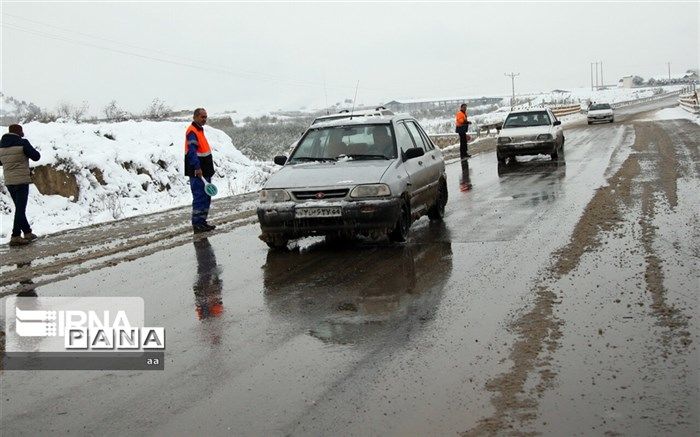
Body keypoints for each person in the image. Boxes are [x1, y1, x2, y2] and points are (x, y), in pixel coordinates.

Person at [0, 124, 41, 246]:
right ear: (19, 132)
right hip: (21, 181)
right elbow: (36, 157)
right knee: (20, 209)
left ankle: (27, 232)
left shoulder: (1, 145)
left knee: (19, 208)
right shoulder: (22, 142)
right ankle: (15, 236)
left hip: (9, 181)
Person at [184, 108, 216, 233]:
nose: (205, 119)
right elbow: (192, 152)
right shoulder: (192, 131)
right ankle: (197, 224)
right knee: (199, 197)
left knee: (206, 197)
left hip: (205, 169)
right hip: (198, 170)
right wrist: (197, 167)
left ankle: (202, 222)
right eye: (202, 117)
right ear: (195, 117)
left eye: (206, 117)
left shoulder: (199, 130)